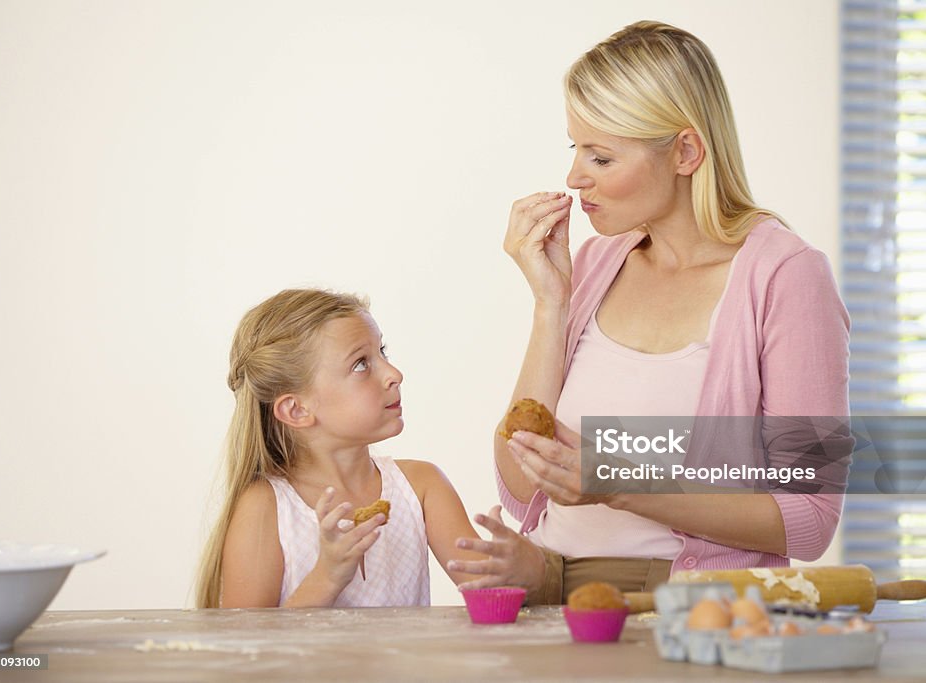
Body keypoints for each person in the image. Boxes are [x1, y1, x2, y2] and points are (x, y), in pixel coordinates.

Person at [454, 21, 852, 604]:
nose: (574, 178)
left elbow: (811, 518)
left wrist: (618, 481)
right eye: (575, 149)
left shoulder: (786, 278)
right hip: (555, 604)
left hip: (685, 613)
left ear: (686, 151)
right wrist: (550, 302)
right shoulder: (594, 263)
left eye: (602, 156)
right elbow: (520, 490)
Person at [195, 288, 540, 608]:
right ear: (296, 410)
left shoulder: (422, 487)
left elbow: (495, 603)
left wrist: (519, 565)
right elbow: (245, 651)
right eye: (361, 363)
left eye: (382, 352)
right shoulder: (265, 507)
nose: (394, 373)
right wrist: (327, 576)